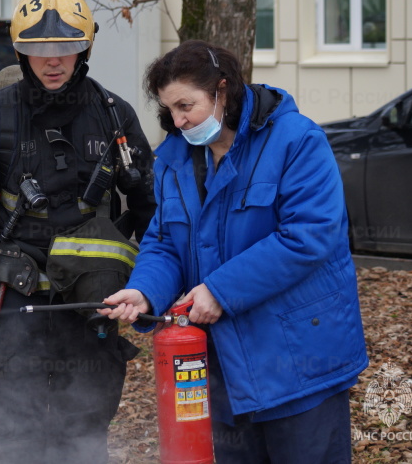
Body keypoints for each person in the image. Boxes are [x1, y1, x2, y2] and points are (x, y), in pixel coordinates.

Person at [101, 40, 368, 463]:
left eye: (186, 105)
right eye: (170, 109)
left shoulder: (296, 141)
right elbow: (165, 241)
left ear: (222, 91)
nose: (178, 119)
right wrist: (145, 291)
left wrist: (220, 291)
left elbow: (309, 235)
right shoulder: (174, 159)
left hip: (299, 364)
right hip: (223, 372)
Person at [0, 0, 157, 464]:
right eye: (40, 49)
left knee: (83, 435)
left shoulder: (114, 116)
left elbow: (153, 211)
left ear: (85, 48)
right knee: (15, 438)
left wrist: (153, 289)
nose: (53, 60)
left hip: (92, 309)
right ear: (22, 51)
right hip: (13, 310)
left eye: (66, 47)